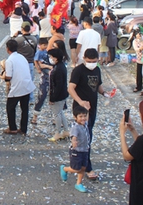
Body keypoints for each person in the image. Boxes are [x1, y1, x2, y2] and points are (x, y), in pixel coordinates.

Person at [68, 48, 113, 180]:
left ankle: (81, 163)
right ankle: (87, 167)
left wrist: (104, 93)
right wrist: (80, 102)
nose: (92, 63)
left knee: (88, 136)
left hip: (92, 108)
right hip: (81, 110)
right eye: (89, 61)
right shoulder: (78, 70)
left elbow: (97, 85)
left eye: (94, 61)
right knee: (85, 137)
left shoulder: (97, 69)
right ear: (84, 59)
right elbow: (70, 88)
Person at [0, 39, 36, 135]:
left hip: (17, 87)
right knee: (24, 109)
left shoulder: (9, 60)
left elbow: (9, 76)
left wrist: (4, 77)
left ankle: (13, 128)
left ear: (7, 49)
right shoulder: (22, 57)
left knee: (10, 107)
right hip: (27, 85)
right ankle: (23, 129)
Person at [60, 106, 91, 193]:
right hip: (76, 151)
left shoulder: (85, 124)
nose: (83, 118)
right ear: (75, 117)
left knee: (83, 168)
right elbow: (73, 136)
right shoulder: (76, 127)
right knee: (76, 168)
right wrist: (74, 141)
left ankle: (79, 183)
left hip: (85, 150)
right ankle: (64, 169)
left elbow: (87, 117)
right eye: (80, 116)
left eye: (84, 116)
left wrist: (87, 109)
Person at [48, 48, 70, 141]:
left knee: (56, 114)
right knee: (60, 113)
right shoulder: (61, 66)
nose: (50, 58)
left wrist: (52, 98)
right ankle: (65, 130)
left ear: (56, 58)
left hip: (58, 96)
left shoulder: (58, 69)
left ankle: (58, 132)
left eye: (51, 57)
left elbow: (58, 85)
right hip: (62, 94)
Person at [14, 23, 38, 101]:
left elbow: (11, 45)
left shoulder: (18, 39)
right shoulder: (34, 39)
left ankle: (19, 97)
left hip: (21, 63)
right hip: (30, 61)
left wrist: (14, 36)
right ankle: (31, 98)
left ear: (22, 29)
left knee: (20, 81)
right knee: (29, 80)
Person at [32, 39, 53, 125]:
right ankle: (35, 116)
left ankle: (57, 118)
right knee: (42, 96)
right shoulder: (39, 53)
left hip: (49, 77)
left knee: (51, 98)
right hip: (45, 77)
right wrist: (38, 69)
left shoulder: (47, 53)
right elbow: (38, 62)